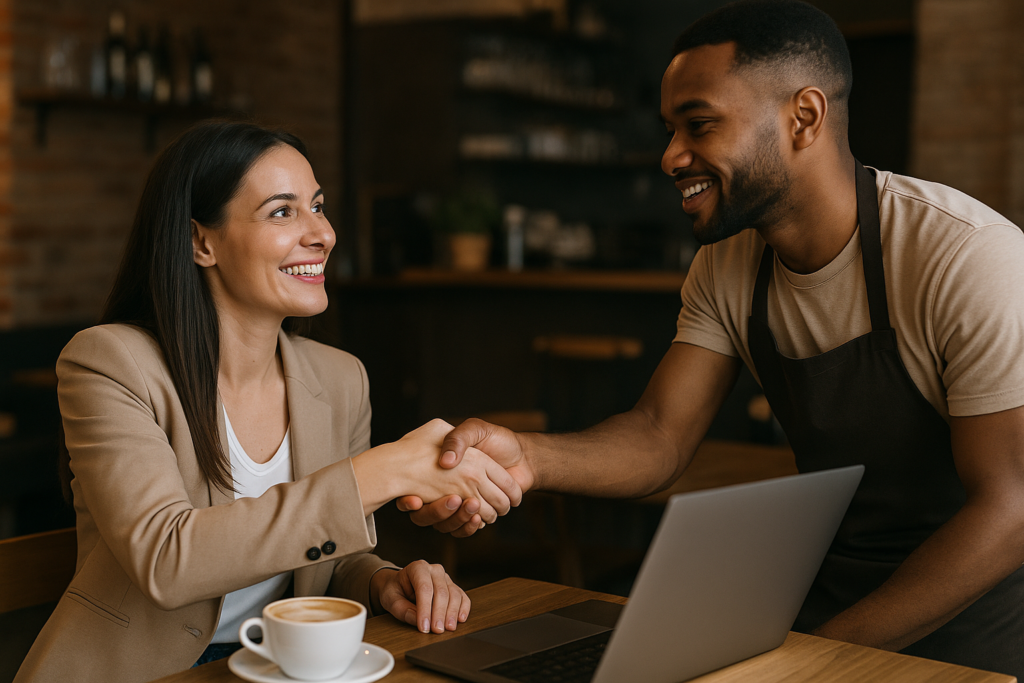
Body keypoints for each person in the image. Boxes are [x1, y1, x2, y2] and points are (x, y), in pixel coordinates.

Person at [399, 0, 1024, 678]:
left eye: (698, 125)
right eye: (669, 129)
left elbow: (1011, 506)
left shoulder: (965, 256)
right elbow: (659, 435)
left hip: (975, 627)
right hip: (829, 603)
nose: (671, 155)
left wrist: (818, 657)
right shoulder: (728, 265)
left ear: (803, 118)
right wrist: (529, 457)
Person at [15, 121, 521, 683]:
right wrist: (384, 470)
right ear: (201, 242)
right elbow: (166, 559)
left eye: (318, 207)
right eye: (283, 212)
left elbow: (326, 558)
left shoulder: (341, 378)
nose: (322, 233)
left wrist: (380, 581)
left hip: (275, 666)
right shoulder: (111, 363)